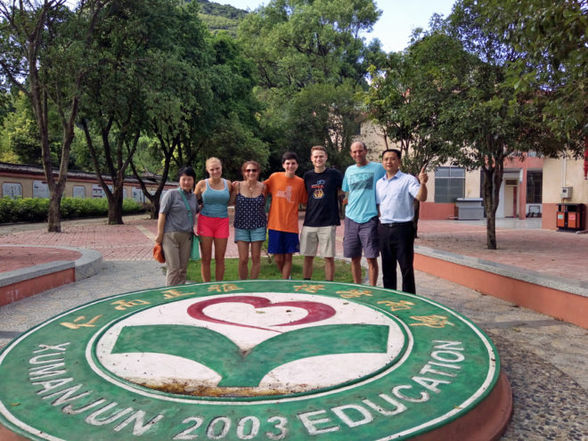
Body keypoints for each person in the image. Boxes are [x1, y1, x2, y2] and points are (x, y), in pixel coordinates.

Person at [376, 148, 428, 294]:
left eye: (393, 159)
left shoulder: (408, 180)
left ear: (399, 161)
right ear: (382, 162)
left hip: (403, 229)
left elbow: (421, 197)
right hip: (384, 229)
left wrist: (423, 183)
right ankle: (390, 296)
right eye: (386, 159)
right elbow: (379, 205)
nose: (389, 162)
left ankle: (409, 298)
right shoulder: (379, 183)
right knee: (387, 267)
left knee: (406, 267)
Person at [342, 141, 385, 286]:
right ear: (351, 154)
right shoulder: (349, 170)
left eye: (360, 151)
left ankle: (372, 290)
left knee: (371, 258)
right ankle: (357, 287)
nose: (357, 154)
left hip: (370, 218)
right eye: (354, 152)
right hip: (351, 218)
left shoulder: (378, 168)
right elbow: (346, 191)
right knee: (354, 258)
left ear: (366, 151)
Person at [301, 146, 343, 281]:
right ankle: (306, 283)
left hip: (328, 222)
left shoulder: (334, 174)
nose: (318, 159)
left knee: (328, 257)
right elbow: (305, 196)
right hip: (310, 222)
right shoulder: (307, 176)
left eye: (321, 156)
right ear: (311, 159)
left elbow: (344, 189)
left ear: (326, 158)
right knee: (308, 256)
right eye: (316, 156)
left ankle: (329, 284)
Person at [264, 152, 307, 279]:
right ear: (283, 165)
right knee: (278, 258)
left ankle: (285, 282)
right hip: (275, 224)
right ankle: (287, 277)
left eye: (293, 163)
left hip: (291, 226)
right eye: (288, 163)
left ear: (297, 165)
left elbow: (305, 201)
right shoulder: (274, 177)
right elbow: (260, 188)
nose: (290, 166)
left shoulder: (300, 182)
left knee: (288, 257)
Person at [155, 166, 198, 286]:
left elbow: (195, 210)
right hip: (170, 236)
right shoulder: (171, 194)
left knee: (183, 269)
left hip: (187, 237)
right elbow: (162, 214)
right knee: (174, 268)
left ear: (193, 180)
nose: (186, 182)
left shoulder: (193, 197)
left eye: (189, 179)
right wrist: (160, 234)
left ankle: (181, 292)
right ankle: (170, 294)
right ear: (179, 180)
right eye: (183, 179)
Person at [194, 157, 233, 282]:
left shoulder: (228, 184)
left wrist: (236, 190)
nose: (215, 171)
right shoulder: (202, 184)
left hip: (222, 222)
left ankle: (218, 286)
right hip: (205, 222)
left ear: (221, 168)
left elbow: (230, 202)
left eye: (217, 168)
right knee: (206, 258)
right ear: (207, 170)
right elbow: (192, 201)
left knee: (220, 258)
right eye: (212, 169)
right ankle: (207, 286)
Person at [232, 160, 267, 279]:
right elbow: (231, 201)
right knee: (243, 259)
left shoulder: (263, 187)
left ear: (258, 172)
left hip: (258, 225)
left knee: (256, 258)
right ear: (244, 172)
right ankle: (243, 284)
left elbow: (264, 204)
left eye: (254, 170)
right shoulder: (237, 186)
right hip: (241, 226)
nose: (251, 172)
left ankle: (253, 284)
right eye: (248, 170)